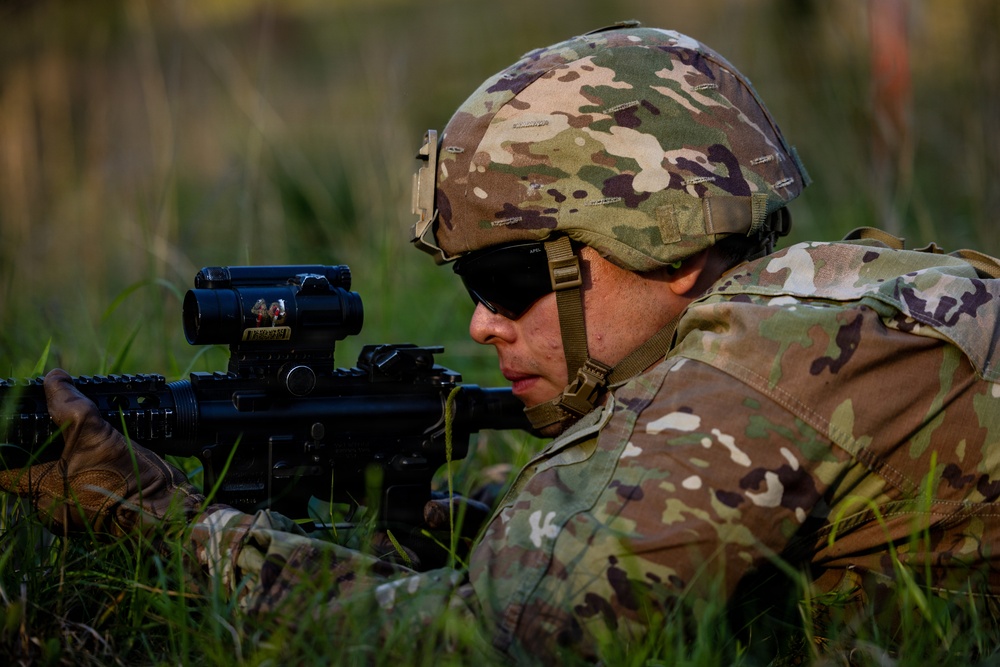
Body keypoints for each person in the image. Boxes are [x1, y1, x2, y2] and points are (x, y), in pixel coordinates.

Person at [3, 21, 1000, 662]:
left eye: (507, 279)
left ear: (660, 240)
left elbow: (492, 644)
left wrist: (153, 521)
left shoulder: (759, 373)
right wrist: (476, 521)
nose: (481, 321)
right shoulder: (827, 299)